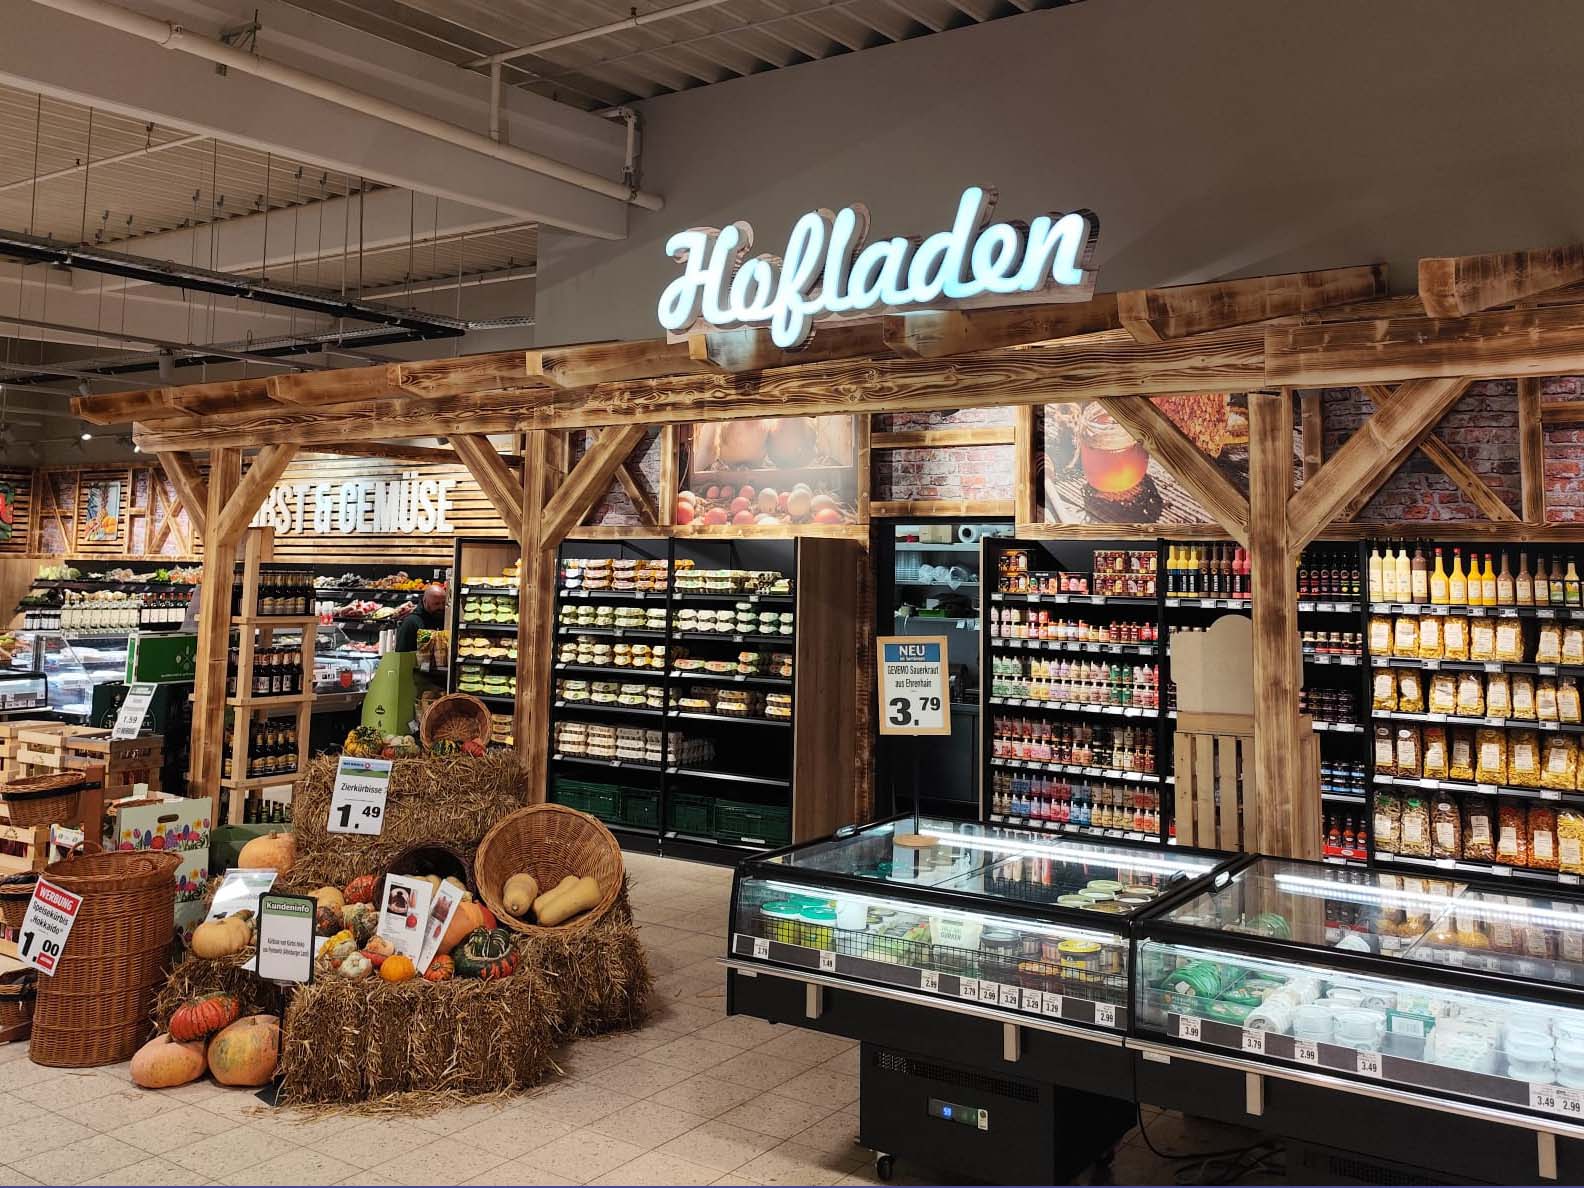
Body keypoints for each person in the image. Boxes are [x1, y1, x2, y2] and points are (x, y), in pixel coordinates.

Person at [394, 583, 447, 653]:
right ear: (425, 602)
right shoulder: (411, 622)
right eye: (436, 604)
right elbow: (401, 652)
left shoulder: (445, 619)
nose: (441, 607)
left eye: (443, 603)